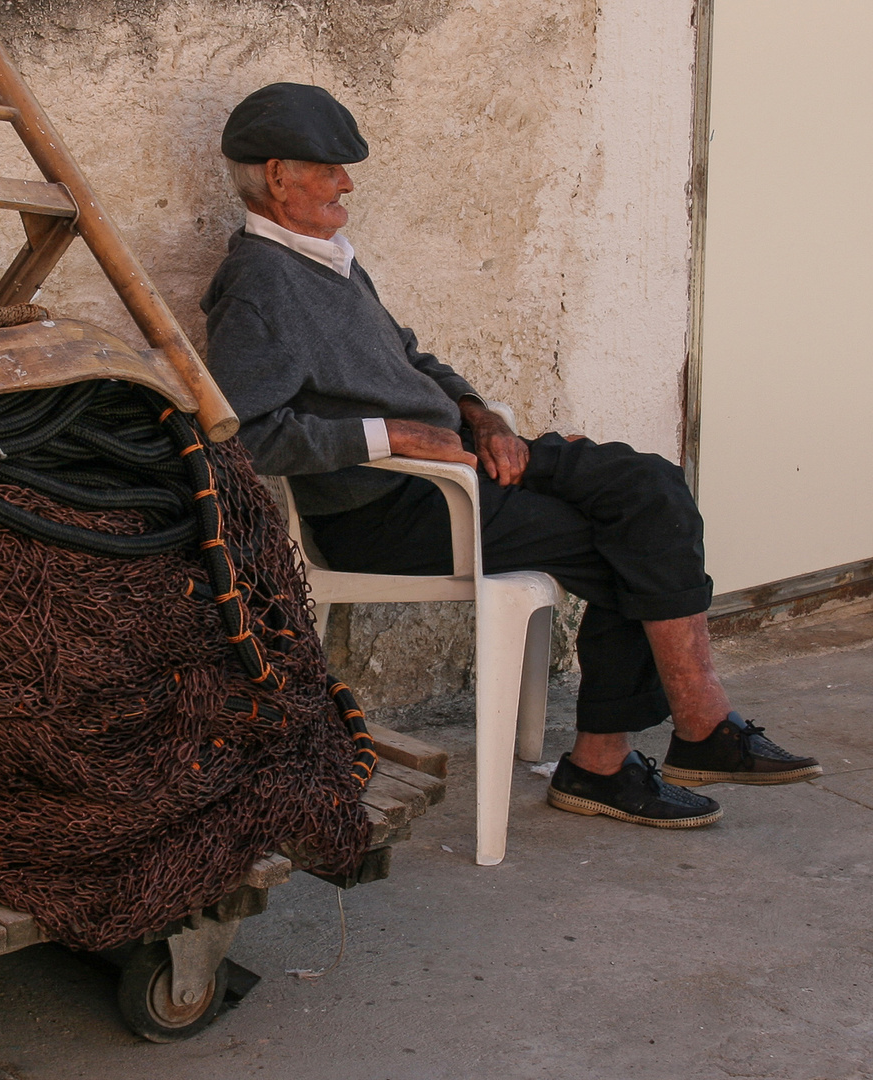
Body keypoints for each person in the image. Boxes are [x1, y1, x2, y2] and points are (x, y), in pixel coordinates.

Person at [202, 82, 820, 828]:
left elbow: (408, 358)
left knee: (648, 486)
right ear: (278, 176)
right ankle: (637, 751)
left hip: (456, 467)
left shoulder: (326, 259)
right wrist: (389, 435)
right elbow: (242, 433)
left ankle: (680, 736)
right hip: (392, 511)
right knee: (631, 536)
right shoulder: (258, 284)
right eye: (332, 169)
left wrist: (482, 415)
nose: (348, 184)